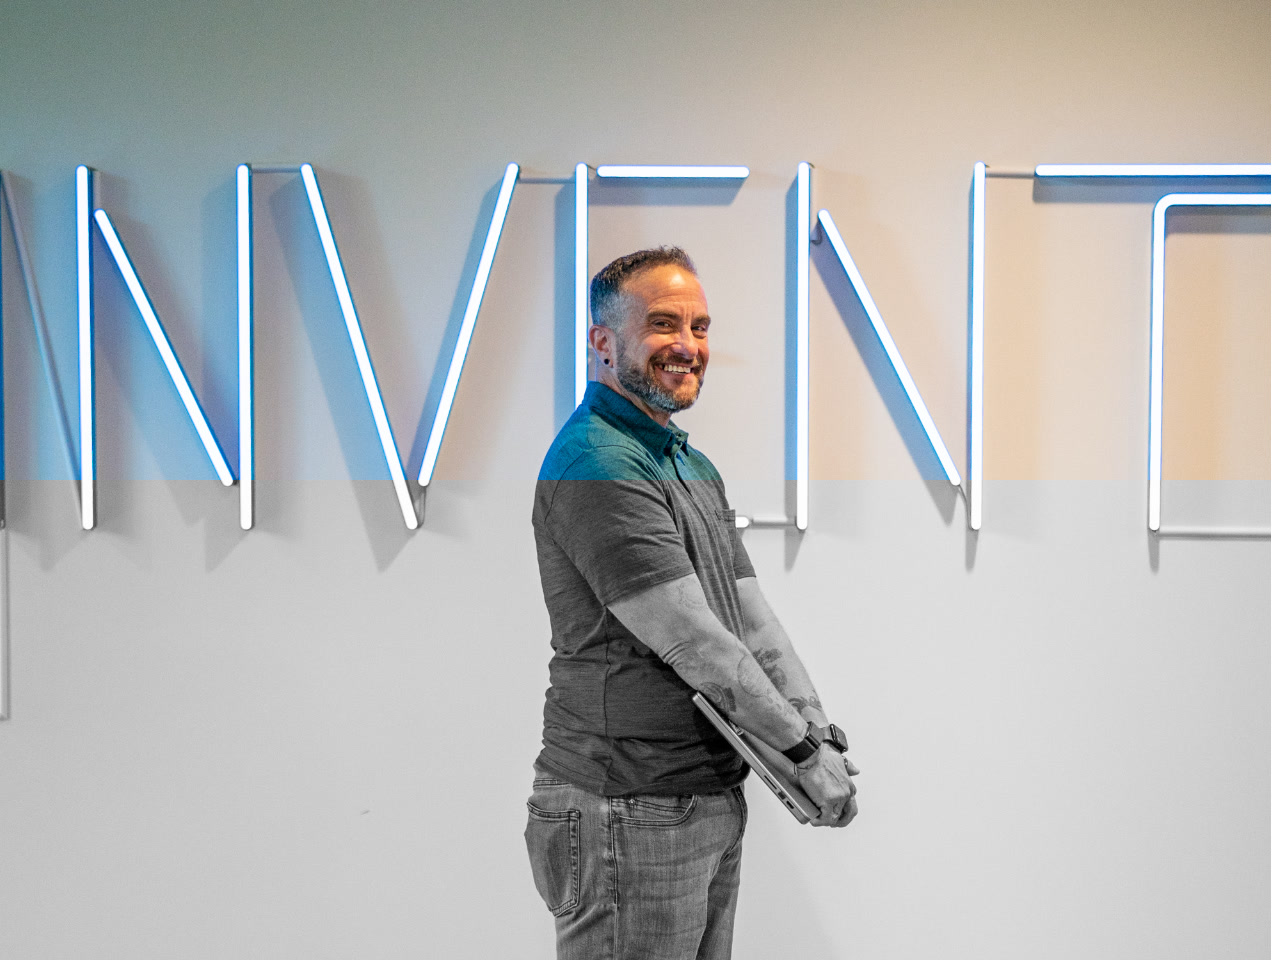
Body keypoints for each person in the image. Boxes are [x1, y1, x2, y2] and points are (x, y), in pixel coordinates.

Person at [526, 247, 857, 960]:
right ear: (603, 342)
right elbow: (695, 643)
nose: (688, 346)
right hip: (625, 806)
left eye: (700, 327)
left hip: (699, 798)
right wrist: (801, 754)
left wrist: (819, 731)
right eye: (664, 324)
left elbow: (750, 621)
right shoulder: (599, 464)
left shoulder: (686, 464)